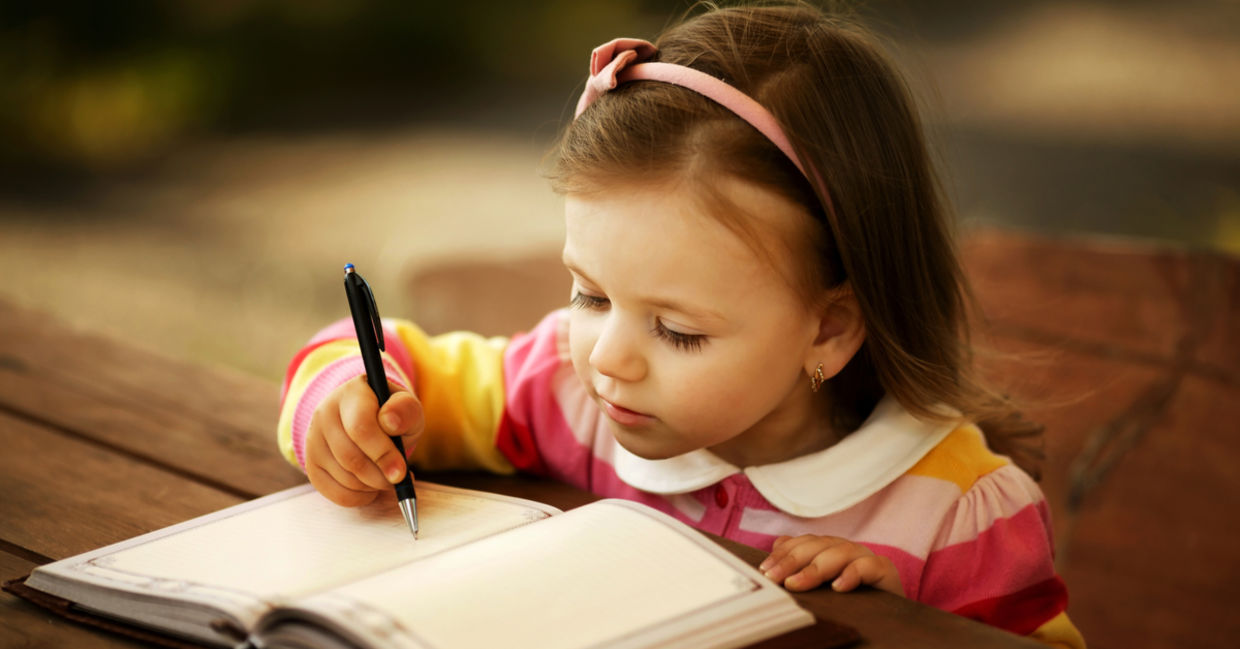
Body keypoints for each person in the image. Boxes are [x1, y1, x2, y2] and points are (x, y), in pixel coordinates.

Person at [277, 3, 1084, 647]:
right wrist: (343, 403)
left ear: (830, 330)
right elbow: (377, 357)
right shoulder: (560, 391)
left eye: (679, 331)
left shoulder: (957, 512)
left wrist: (903, 628)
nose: (611, 361)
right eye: (590, 294)